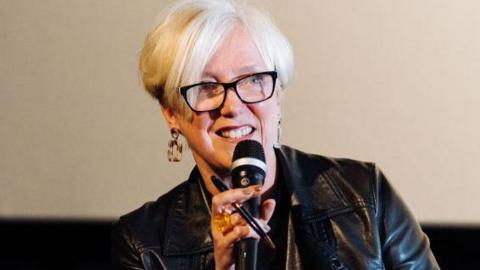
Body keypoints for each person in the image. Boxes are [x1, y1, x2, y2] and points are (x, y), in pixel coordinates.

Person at [111, 0, 439, 269]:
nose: (233, 105)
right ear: (171, 113)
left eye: (252, 80)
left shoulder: (364, 196)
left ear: (278, 94)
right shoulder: (144, 244)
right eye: (207, 86)